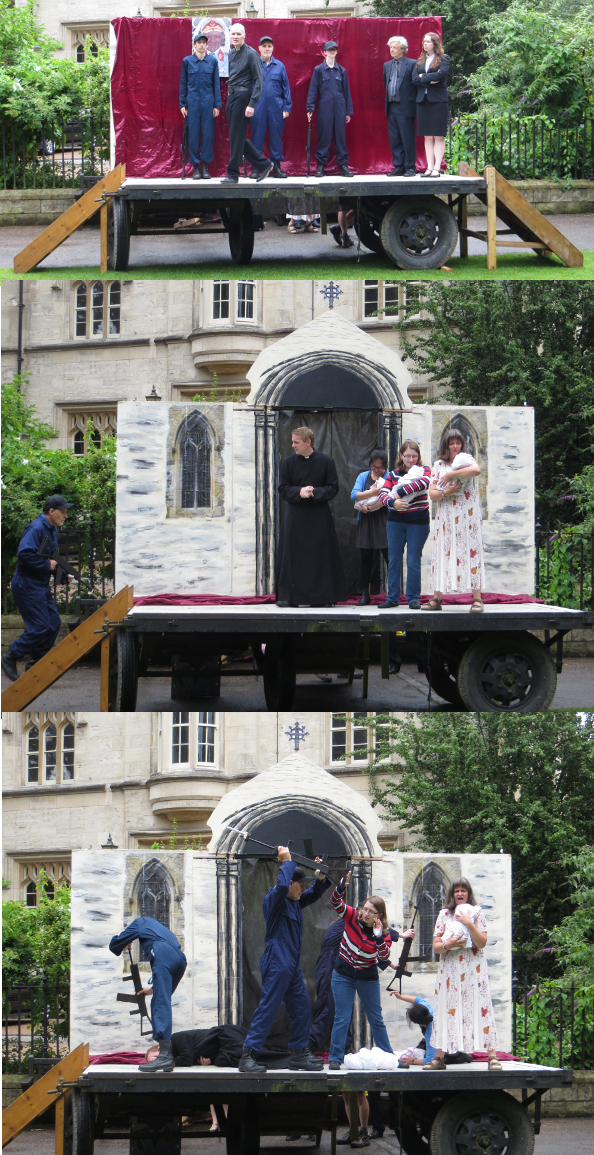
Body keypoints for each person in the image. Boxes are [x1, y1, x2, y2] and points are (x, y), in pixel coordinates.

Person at [239, 847, 332, 1073]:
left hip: (291, 964)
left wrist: (320, 876)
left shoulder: (294, 902)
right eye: (301, 884)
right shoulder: (274, 899)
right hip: (277, 961)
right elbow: (281, 886)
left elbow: (313, 894)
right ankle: (248, 1055)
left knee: (302, 1007)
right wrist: (286, 862)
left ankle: (299, 1054)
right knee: (269, 1007)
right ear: (291, 883)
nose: (304, 888)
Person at [328, 870, 415, 1070]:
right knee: (342, 1016)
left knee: (376, 1017)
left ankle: (390, 1058)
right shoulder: (351, 917)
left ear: (379, 916)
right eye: (364, 909)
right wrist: (341, 886)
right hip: (343, 974)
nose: (365, 914)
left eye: (370, 911)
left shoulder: (383, 934)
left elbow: (383, 957)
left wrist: (377, 936)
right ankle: (335, 1057)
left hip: (367, 977)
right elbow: (335, 903)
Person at [423, 877, 502, 1071]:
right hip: (450, 971)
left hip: (473, 969)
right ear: (452, 894)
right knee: (444, 1009)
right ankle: (439, 1058)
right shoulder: (444, 914)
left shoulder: (477, 913)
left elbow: (482, 942)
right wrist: (447, 945)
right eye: (456, 890)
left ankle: (492, 1056)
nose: (460, 893)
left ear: (468, 893)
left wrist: (468, 923)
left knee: (481, 1006)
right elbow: (436, 947)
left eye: (463, 890)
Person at [1, 495, 73, 683]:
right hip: (26, 585)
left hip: (39, 585)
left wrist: (62, 576)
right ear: (52, 512)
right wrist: (46, 566)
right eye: (63, 512)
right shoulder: (37, 528)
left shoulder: (51, 530)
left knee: (54, 623)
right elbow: (24, 553)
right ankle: (10, 656)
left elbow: (50, 558)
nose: (65, 515)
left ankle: (35, 663)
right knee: (40, 626)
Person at [276, 426, 346, 608]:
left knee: (320, 556)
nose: (293, 446)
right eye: (292, 442)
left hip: (318, 517)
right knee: (292, 556)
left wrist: (314, 492)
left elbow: (333, 487)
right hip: (295, 516)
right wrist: (299, 491)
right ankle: (290, 597)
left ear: (308, 442)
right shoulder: (288, 463)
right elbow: (283, 488)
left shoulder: (326, 461)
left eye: (296, 442)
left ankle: (321, 597)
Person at [109, 916, 187, 1074]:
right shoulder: (157, 928)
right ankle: (166, 1058)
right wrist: (152, 989)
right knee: (162, 999)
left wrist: (124, 941)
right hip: (180, 959)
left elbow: (114, 945)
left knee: (159, 1003)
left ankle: (164, 1054)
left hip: (163, 953)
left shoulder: (139, 922)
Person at [422, 428, 485, 613]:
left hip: (468, 515)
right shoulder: (438, 465)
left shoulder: (467, 460)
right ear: (446, 445)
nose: (455, 446)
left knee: (472, 551)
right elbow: (432, 494)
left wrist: (450, 475)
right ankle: (437, 598)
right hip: (447, 516)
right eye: (451, 443)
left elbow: (476, 470)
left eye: (458, 443)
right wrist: (445, 492)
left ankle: (477, 599)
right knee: (443, 551)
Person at [377, 441, 432, 610]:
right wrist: (394, 503)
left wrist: (398, 492)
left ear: (418, 456)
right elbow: (382, 494)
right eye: (407, 456)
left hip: (418, 522)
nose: (411, 459)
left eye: (414, 456)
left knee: (413, 560)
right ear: (401, 456)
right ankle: (393, 597)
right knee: (393, 560)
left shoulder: (425, 470)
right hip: (396, 522)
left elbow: (423, 483)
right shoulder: (392, 475)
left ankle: (413, 598)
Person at [222, 24, 273, 185]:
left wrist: (252, 104)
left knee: (237, 137)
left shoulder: (251, 54)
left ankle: (233, 174)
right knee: (237, 137)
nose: (235, 36)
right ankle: (264, 164)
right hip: (231, 96)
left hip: (243, 97)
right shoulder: (231, 53)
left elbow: (259, 80)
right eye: (233, 34)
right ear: (230, 36)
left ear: (244, 36)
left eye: (238, 34)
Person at [307, 41, 354, 178]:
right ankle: (320, 165)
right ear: (325, 52)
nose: (332, 51)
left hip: (340, 106)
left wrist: (348, 111)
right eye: (329, 49)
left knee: (340, 136)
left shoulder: (342, 71)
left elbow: (346, 92)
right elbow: (313, 90)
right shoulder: (318, 70)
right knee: (324, 136)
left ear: (336, 51)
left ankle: (343, 165)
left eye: (334, 49)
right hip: (325, 106)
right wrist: (310, 108)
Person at [179, 32, 222, 180]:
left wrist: (217, 105)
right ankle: (196, 167)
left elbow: (217, 84)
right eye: (199, 42)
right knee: (193, 135)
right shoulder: (187, 61)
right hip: (192, 102)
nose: (202, 45)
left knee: (208, 135)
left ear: (207, 45)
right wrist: (181, 103)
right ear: (194, 45)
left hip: (208, 102)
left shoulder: (213, 61)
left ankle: (205, 168)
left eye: (204, 42)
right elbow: (182, 84)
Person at [351, 450, 390, 607]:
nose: (376, 470)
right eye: (374, 466)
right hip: (366, 521)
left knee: (389, 557)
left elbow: (389, 497)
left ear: (385, 467)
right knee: (365, 558)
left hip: (384, 520)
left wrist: (370, 506)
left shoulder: (389, 477)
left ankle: (394, 593)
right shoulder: (363, 476)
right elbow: (354, 495)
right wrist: (373, 492)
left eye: (380, 468)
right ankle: (365, 594)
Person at [250, 35, 291, 179]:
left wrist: (286, 107)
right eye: (264, 46)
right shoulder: (254, 64)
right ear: (259, 48)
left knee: (276, 138)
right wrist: (249, 106)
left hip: (276, 107)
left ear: (272, 48)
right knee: (257, 138)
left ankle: (277, 168)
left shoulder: (280, 66)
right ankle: (256, 168)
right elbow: (249, 86)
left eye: (269, 46)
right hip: (258, 106)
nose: (267, 49)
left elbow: (286, 87)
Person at [412, 32, 450, 178]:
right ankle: (428, 167)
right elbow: (414, 79)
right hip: (423, 100)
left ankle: (437, 168)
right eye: (424, 42)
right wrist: (429, 79)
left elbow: (441, 75)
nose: (425, 44)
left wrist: (424, 77)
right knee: (427, 136)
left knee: (438, 135)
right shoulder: (420, 60)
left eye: (428, 41)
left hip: (438, 100)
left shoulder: (443, 59)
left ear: (435, 43)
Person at [382, 36, 418, 177]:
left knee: (407, 137)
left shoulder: (412, 63)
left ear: (402, 49)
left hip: (405, 106)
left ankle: (410, 167)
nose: (392, 50)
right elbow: (386, 82)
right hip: (391, 106)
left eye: (395, 47)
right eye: (390, 47)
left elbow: (415, 85)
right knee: (394, 138)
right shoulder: (387, 65)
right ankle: (398, 166)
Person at [389, 991, 437, 1067]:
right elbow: (419, 999)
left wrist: (412, 1061)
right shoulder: (427, 1011)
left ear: (414, 1022)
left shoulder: (431, 1035)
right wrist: (400, 997)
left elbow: (430, 1060)